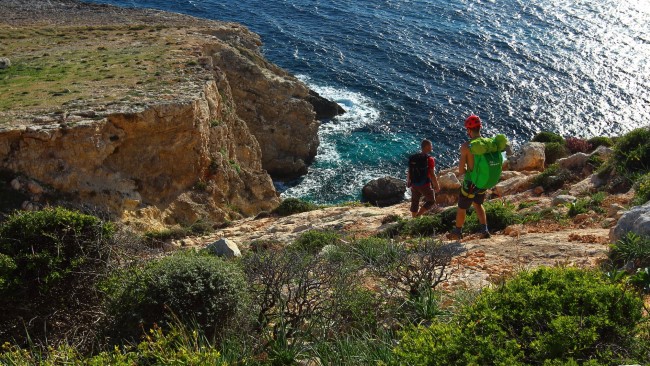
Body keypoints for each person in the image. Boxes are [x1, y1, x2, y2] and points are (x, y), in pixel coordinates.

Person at [447, 115, 491, 240]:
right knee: (478, 204)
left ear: (469, 130)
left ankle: (457, 232)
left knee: (462, 207)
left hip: (471, 183)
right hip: (483, 181)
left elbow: (461, 170)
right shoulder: (487, 144)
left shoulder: (466, 146)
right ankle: (485, 229)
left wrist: (467, 170)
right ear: (480, 128)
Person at [407, 139, 440, 217]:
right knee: (431, 200)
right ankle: (418, 215)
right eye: (431, 145)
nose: (432, 147)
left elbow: (409, 171)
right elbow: (432, 174)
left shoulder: (414, 158)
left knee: (415, 201)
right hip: (424, 184)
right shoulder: (429, 159)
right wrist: (436, 186)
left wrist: (408, 181)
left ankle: (414, 217)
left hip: (414, 183)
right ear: (427, 146)